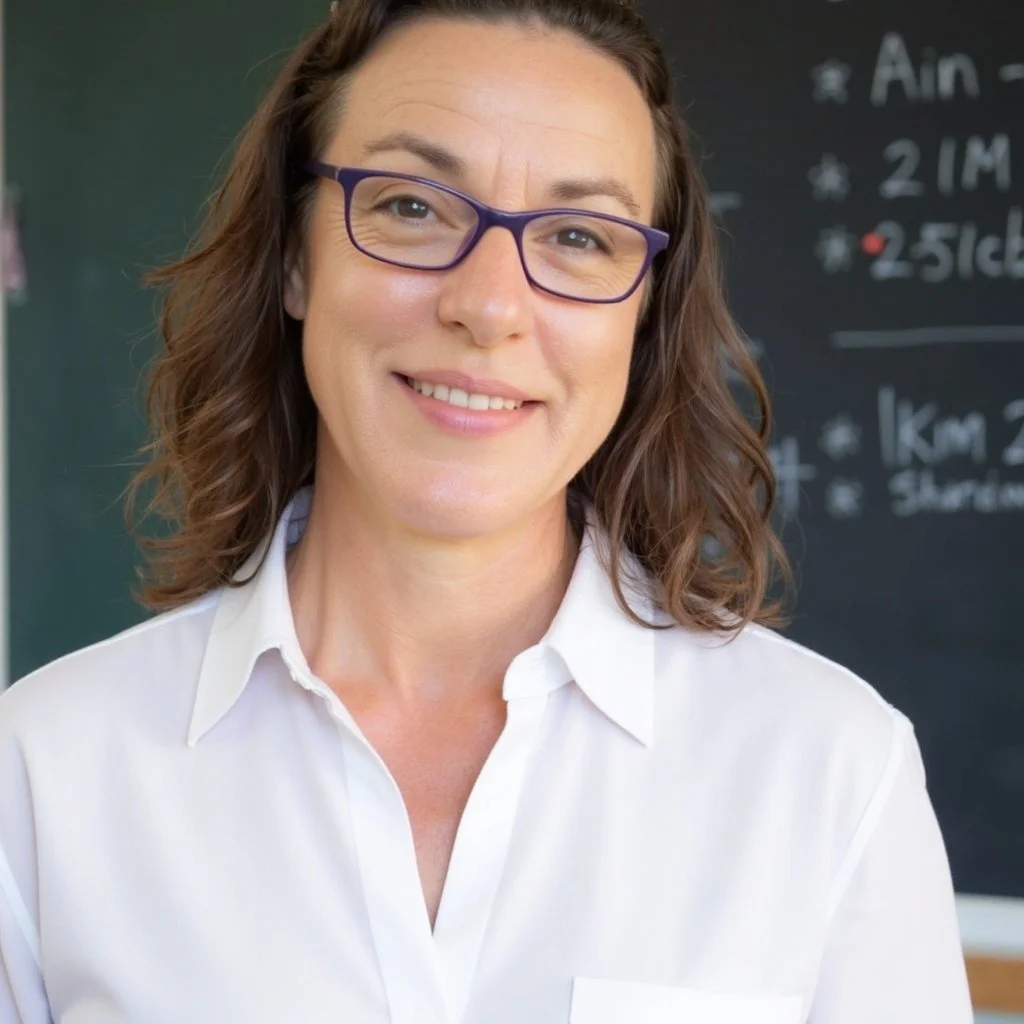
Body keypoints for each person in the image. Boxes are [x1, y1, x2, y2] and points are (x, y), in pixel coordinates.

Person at [0, 0, 974, 1021]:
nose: (490, 305)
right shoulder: (43, 774)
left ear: (641, 313)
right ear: (294, 257)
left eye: (579, 236)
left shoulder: (828, 770)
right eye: (412, 206)